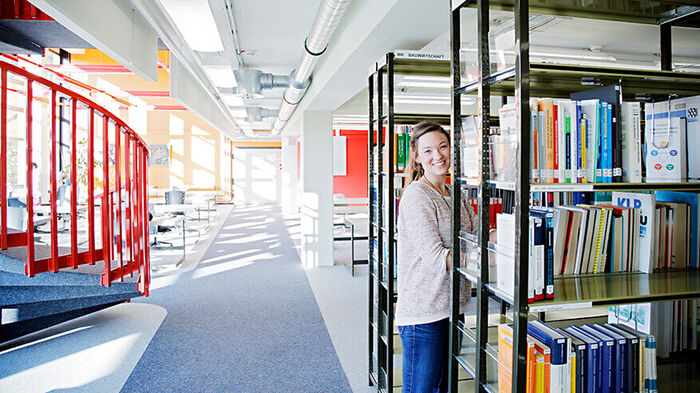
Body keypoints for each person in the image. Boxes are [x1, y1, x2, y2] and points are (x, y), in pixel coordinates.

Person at [395, 120, 478, 393]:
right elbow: (436, 258)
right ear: (417, 157)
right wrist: (482, 258)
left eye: (443, 147)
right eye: (428, 150)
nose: (438, 155)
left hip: (453, 307)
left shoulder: (456, 192)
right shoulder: (416, 195)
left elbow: (477, 235)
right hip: (424, 313)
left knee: (445, 387)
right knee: (420, 389)